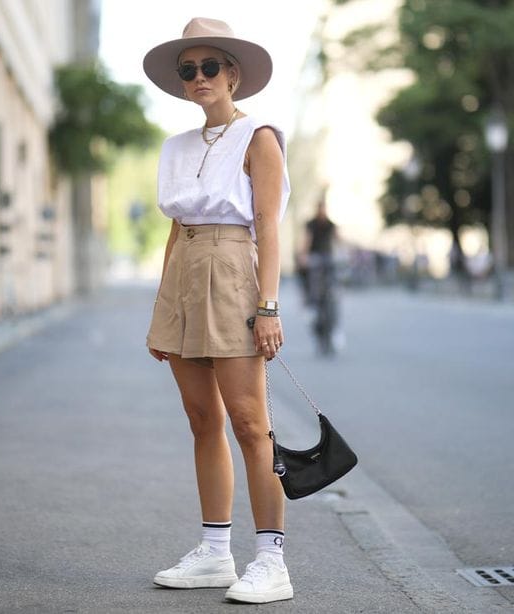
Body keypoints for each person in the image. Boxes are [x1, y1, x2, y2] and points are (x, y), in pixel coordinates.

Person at [142, 17, 293, 604]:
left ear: (233, 75)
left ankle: (272, 560)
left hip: (233, 272)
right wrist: (163, 308)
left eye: (210, 67)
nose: (199, 77)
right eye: (189, 70)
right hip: (184, 273)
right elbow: (176, 233)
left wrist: (268, 305)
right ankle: (214, 551)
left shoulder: (259, 137)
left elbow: (268, 228)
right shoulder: (175, 147)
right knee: (202, 421)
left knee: (252, 424)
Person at [298, 199, 340, 354]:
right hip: (315, 258)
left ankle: (334, 327)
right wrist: (303, 255)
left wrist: (347, 252)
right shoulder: (311, 224)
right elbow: (305, 242)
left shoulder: (330, 224)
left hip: (328, 259)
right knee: (314, 286)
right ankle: (312, 305)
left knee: (334, 290)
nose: (323, 212)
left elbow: (339, 240)